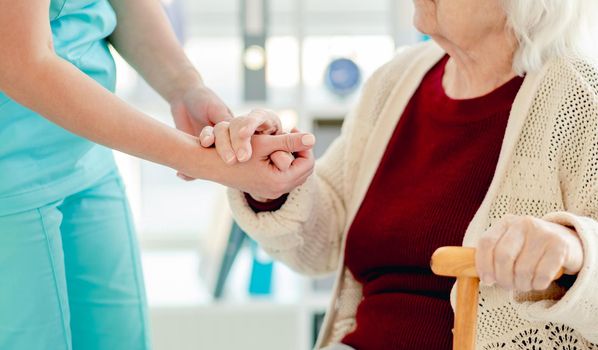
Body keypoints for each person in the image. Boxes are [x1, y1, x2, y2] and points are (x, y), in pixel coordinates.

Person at [205, 0, 598, 349]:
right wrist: (275, 185)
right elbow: (324, 242)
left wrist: (576, 246)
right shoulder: (395, 81)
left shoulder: (583, 98)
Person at [0, 0, 315, 349]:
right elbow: (21, 64)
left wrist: (186, 88)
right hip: (11, 177)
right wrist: (204, 161)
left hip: (88, 158)